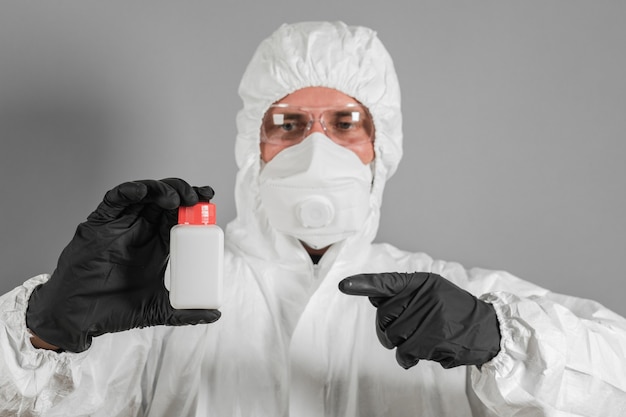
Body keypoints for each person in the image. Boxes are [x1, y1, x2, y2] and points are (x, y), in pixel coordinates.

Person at [1, 21, 625, 417]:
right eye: (289, 125)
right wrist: (45, 332)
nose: (315, 149)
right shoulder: (159, 295)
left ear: (384, 146)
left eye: (346, 124)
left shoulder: (447, 302)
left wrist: (495, 339)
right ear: (253, 146)